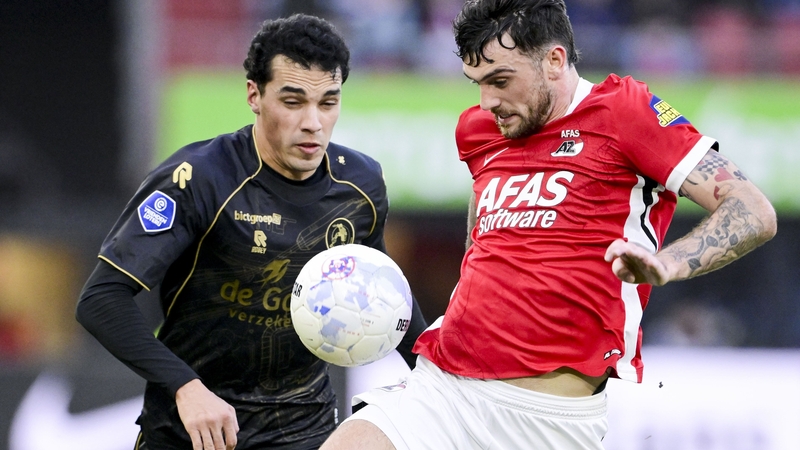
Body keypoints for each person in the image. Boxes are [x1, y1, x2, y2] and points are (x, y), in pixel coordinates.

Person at [321, 0, 777, 449]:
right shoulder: (481, 129)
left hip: (546, 421)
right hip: (440, 389)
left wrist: (667, 264)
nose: (487, 101)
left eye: (500, 80)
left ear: (554, 61)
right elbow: (481, 238)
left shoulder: (624, 110)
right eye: (478, 83)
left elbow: (752, 210)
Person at [75, 14, 427, 450]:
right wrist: (186, 387)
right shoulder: (199, 178)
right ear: (254, 95)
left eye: (328, 102)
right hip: (193, 433)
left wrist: (436, 382)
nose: (313, 122)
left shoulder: (361, 183)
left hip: (304, 430)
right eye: (293, 101)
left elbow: (389, 296)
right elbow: (101, 300)